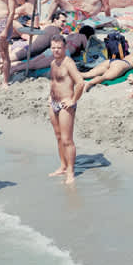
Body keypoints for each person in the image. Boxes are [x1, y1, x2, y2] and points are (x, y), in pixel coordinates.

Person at [47, 32, 86, 185]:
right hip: (53, 103)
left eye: (58, 48)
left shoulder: (68, 63)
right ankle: (63, 166)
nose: (56, 50)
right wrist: (50, 96)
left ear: (65, 47)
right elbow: (54, 82)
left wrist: (73, 100)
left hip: (65, 104)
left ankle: (70, 171)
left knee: (67, 139)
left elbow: (81, 83)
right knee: (58, 137)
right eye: (53, 48)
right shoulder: (52, 63)